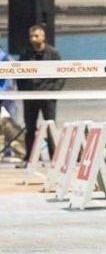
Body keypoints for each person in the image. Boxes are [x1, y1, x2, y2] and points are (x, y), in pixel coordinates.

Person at [16, 25, 65, 166]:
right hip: (30, 97)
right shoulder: (25, 54)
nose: (33, 39)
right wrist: (24, 92)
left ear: (43, 37)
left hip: (48, 97)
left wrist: (54, 89)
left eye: (36, 36)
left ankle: (54, 158)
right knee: (30, 128)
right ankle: (30, 158)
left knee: (50, 127)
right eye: (31, 36)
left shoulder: (53, 54)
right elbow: (19, 74)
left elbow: (62, 73)